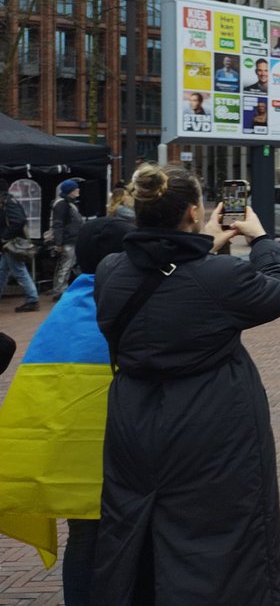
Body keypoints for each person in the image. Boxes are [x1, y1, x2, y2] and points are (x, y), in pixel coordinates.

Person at [92, 163, 280, 605]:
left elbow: (161, 277)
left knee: (136, 527)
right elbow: (279, 291)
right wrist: (261, 239)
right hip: (209, 423)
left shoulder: (109, 270)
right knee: (220, 535)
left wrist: (202, 245)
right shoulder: (221, 279)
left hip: (132, 422)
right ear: (191, 211)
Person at [0, 216, 135, 603]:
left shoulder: (65, 310)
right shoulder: (130, 303)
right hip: (128, 458)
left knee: (84, 537)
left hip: (72, 465)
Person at [0, 186, 40, 313]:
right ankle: (32, 299)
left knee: (19, 271)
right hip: (10, 243)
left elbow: (19, 221)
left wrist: (4, 236)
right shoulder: (9, 201)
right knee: (3, 270)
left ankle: (32, 299)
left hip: (12, 243)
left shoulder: (9, 203)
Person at [51, 180, 84, 298]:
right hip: (68, 240)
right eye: (76, 189)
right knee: (66, 265)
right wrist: (58, 243)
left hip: (70, 239)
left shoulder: (67, 203)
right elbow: (58, 224)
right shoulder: (63, 204)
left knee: (66, 265)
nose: (78, 190)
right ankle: (60, 291)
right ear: (70, 191)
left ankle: (59, 289)